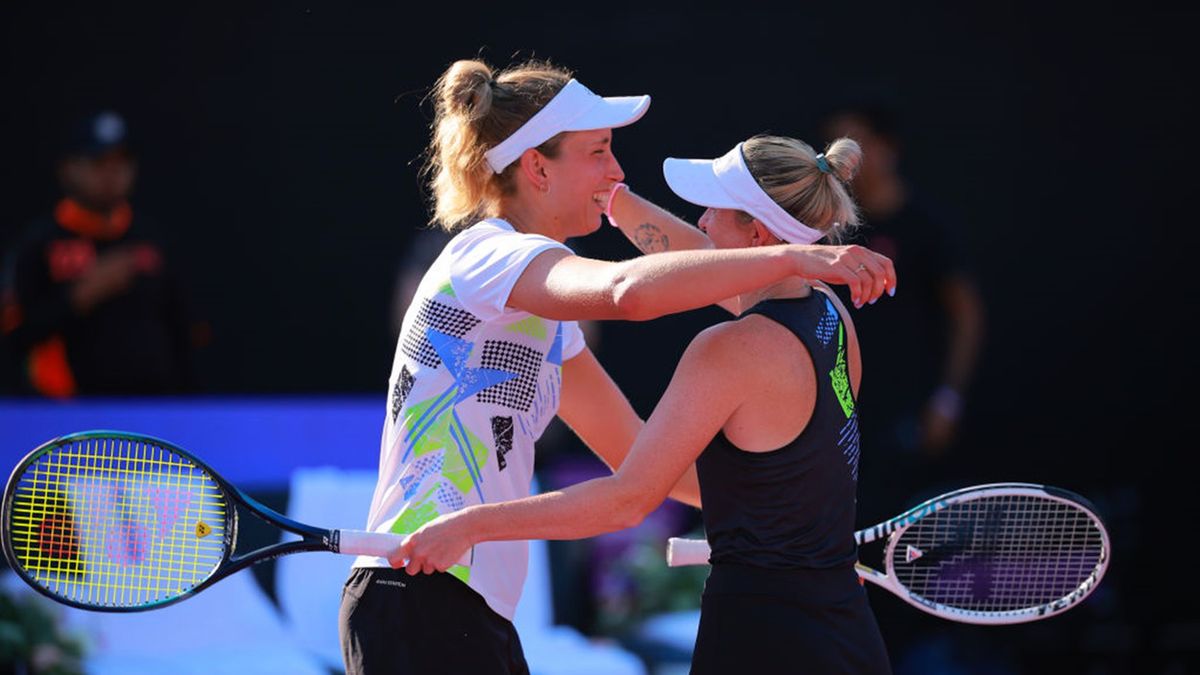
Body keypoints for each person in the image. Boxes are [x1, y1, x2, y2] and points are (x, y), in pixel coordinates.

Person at [338, 57, 895, 675]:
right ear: (537, 167)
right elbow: (628, 292)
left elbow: (644, 468)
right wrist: (797, 256)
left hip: (464, 599)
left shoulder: (551, 320)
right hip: (416, 586)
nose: (618, 170)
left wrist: (801, 537)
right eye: (600, 152)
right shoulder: (485, 255)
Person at [820, 102, 985, 512]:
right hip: (844, 408)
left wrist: (947, 398)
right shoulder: (826, 231)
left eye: (855, 146)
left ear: (888, 147)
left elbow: (967, 314)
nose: (845, 163)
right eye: (834, 150)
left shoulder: (926, 226)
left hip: (908, 407)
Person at [0, 110, 195, 397]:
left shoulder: (150, 238)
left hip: (153, 411)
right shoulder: (39, 242)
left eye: (121, 163)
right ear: (69, 169)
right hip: (64, 415)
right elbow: (15, 335)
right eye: (99, 162)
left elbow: (184, 333)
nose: (111, 174)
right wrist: (81, 295)